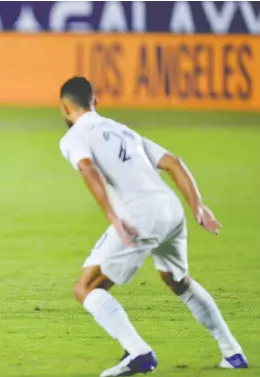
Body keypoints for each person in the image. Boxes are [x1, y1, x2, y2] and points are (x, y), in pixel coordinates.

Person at [58, 76, 248, 376]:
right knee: (177, 280)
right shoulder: (124, 131)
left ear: (65, 109)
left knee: (86, 288)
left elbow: (87, 169)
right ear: (96, 102)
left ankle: (139, 352)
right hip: (171, 210)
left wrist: (112, 217)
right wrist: (199, 207)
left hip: (138, 216)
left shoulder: (73, 137)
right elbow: (174, 162)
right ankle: (233, 352)